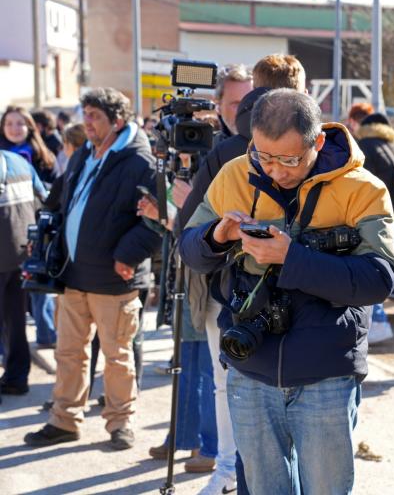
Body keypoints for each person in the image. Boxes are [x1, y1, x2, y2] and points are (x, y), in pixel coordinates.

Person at [180, 89, 394, 495]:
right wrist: (217, 235)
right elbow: (190, 250)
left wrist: (292, 258)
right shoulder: (235, 174)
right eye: (264, 156)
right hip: (250, 367)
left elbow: (380, 278)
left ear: (318, 142)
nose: (276, 170)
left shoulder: (362, 188)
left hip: (326, 374)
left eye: (290, 159)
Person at [176, 53, 307, 495]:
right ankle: (240, 471)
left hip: (235, 295)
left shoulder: (229, 150)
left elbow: (187, 231)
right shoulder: (239, 154)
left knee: (226, 385)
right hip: (296, 302)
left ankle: (231, 470)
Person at [24, 88, 161, 450]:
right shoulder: (85, 150)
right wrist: (42, 230)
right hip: (75, 274)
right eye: (85, 114)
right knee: (69, 352)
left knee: (117, 356)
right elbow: (62, 196)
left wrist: (126, 256)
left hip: (115, 278)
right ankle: (64, 420)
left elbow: (156, 223)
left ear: (117, 121)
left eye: (95, 116)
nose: (86, 122)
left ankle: (120, 423)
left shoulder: (140, 162)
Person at [137, 181, 219, 474]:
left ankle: (211, 448)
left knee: (209, 374)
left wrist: (173, 217)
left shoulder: (216, 163)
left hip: (206, 286)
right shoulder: (180, 169)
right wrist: (156, 215)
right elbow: (174, 229)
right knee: (186, 369)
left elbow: (209, 228)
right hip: (183, 286)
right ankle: (184, 438)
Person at [354, 112, 394, 344]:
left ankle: (378, 321)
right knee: (382, 263)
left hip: (372, 214)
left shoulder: (366, 147)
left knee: (368, 263)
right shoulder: (393, 146)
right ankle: (379, 320)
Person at [0, 150, 48, 397]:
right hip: (20, 256)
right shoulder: (20, 162)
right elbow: (44, 198)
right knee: (15, 321)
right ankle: (17, 378)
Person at [0, 105, 57, 183]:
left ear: (29, 127)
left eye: (20, 124)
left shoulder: (45, 157)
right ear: (3, 127)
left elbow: (55, 187)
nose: (14, 129)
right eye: (9, 124)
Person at [213, 63, 253, 146]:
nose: (246, 111)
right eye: (237, 104)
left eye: (251, 104)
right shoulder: (206, 151)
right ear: (218, 107)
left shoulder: (276, 149)